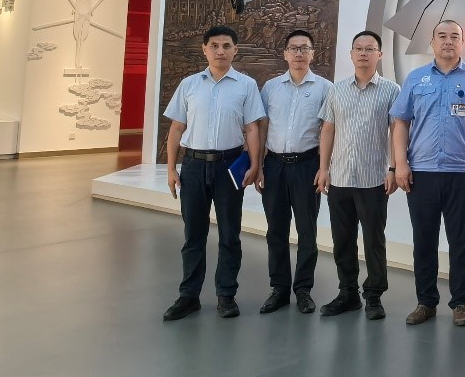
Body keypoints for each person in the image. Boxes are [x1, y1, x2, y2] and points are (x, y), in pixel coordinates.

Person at [162, 25, 265, 320]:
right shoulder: (189, 84)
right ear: (204, 49)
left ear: (235, 50)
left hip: (228, 166)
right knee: (193, 234)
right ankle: (188, 295)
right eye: (215, 45)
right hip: (193, 166)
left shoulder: (246, 85)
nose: (220, 51)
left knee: (230, 233)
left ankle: (226, 294)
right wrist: (171, 168)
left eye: (226, 45)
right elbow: (176, 128)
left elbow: (252, 129)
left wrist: (255, 165)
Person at [391, 19, 465, 328]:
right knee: (424, 240)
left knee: (461, 242)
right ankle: (426, 302)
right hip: (422, 172)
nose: (448, 41)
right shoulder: (416, 78)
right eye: (442, 36)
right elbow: (400, 122)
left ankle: (460, 303)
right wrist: (401, 164)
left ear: (462, 43)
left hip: (462, 172)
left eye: (454, 36)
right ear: (432, 42)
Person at [316, 31, 401, 319]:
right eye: (359, 48)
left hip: (373, 179)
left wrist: (393, 168)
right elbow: (328, 130)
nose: (363, 53)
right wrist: (323, 168)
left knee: (374, 241)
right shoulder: (337, 90)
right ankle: (348, 293)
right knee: (342, 239)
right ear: (351, 54)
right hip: (339, 178)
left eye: (370, 49)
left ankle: (374, 296)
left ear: (380, 54)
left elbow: (397, 132)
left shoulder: (391, 90)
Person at [258, 29, 332, 315]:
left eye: (304, 48)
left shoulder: (325, 88)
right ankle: (278, 289)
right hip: (274, 166)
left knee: (306, 231)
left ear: (313, 53)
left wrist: (324, 168)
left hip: (307, 166)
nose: (299, 53)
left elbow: (329, 131)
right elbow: (262, 128)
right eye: (293, 48)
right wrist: (259, 165)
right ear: (285, 53)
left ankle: (303, 290)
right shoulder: (271, 87)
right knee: (275, 230)